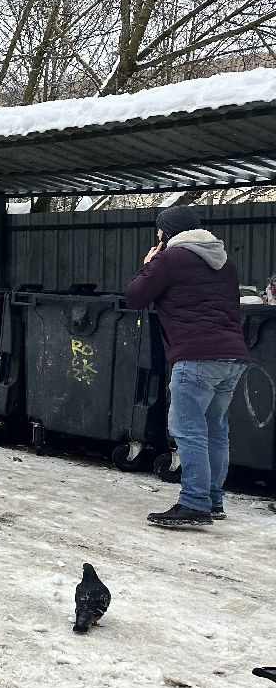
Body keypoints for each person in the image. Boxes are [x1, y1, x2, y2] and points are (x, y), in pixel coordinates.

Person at [125, 206, 249, 527]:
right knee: (214, 430)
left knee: (189, 429)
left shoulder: (171, 259)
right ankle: (213, 500)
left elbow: (136, 296)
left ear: (168, 232)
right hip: (232, 357)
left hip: (196, 357)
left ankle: (194, 502)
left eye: (159, 232)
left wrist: (149, 265)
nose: (157, 237)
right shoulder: (224, 262)